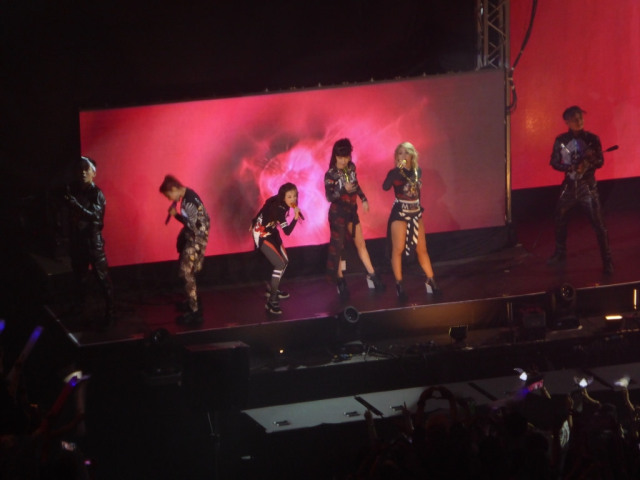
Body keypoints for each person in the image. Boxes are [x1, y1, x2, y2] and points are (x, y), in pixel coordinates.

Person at [547, 106, 613, 275]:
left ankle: (607, 261)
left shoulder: (592, 139)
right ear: (567, 122)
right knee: (559, 219)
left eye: (580, 118)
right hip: (569, 187)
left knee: (599, 225)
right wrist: (569, 167)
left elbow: (600, 162)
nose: (579, 121)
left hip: (588, 187)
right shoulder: (561, 140)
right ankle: (560, 253)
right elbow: (554, 162)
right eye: (575, 119)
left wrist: (590, 159)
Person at [324, 138, 384, 300]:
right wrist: (343, 189)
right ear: (335, 156)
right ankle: (340, 280)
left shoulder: (351, 167)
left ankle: (372, 274)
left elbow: (356, 184)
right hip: (338, 214)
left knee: (361, 244)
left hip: (351, 211)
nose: (343, 161)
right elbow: (329, 197)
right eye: (340, 157)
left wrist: (363, 199)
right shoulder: (330, 174)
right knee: (338, 248)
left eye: (346, 157)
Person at [382, 142, 439, 301]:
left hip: (415, 212)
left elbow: (417, 193)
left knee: (422, 249)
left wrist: (418, 209)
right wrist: (396, 171)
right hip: (400, 212)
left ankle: (431, 280)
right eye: (400, 153)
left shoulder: (417, 171)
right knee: (398, 249)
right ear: (396, 156)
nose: (403, 156)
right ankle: (399, 284)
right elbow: (385, 187)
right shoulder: (395, 173)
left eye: (406, 153)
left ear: (412, 155)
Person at [64, 156, 115, 329]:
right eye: (80, 169)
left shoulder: (97, 193)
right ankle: (81, 308)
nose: (83, 172)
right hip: (78, 241)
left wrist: (76, 206)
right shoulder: (74, 190)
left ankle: (110, 312)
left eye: (86, 169)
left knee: (102, 278)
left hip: (93, 242)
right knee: (80, 277)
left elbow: (96, 217)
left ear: (94, 173)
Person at [159, 175, 210, 325]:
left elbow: (194, 226)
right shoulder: (188, 195)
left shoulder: (189, 202)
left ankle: (195, 311)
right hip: (194, 237)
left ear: (174, 189)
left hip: (197, 239)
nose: (169, 199)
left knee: (187, 273)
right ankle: (191, 302)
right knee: (187, 271)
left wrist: (176, 216)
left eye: (169, 195)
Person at [251, 183, 302, 315]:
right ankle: (271, 301)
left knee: (285, 261)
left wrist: (255, 219)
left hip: (272, 232)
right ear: (283, 197)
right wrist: (295, 218)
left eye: (294, 196)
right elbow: (287, 231)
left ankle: (273, 289)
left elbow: (265, 205)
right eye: (289, 197)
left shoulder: (278, 200)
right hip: (262, 234)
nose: (293, 199)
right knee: (279, 264)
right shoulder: (279, 209)